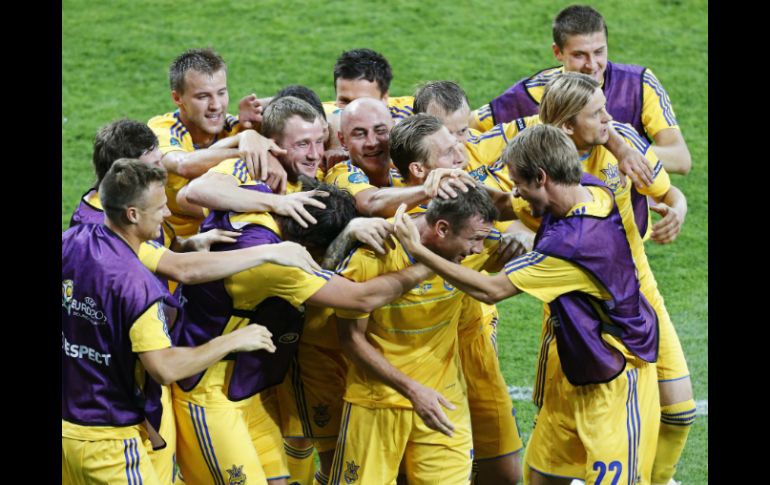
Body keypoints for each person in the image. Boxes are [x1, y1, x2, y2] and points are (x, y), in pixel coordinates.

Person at [393, 125, 661, 484]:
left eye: (518, 181)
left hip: (616, 382)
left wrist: (420, 251)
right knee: (541, 478)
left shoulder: (574, 246)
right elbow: (504, 204)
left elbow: (491, 290)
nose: (514, 190)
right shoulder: (587, 189)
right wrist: (455, 182)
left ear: (542, 177)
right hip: (576, 372)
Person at [68, 119, 323, 485]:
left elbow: (166, 253)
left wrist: (185, 243)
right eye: (154, 168)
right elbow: (181, 274)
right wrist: (268, 255)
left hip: (92, 402)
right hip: (120, 409)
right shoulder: (128, 272)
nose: (168, 207)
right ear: (129, 193)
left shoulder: (88, 229)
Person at [170, 179, 434, 485]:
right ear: (309, 248)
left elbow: (199, 187)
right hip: (206, 392)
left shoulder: (256, 199)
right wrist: (431, 265)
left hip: (242, 387)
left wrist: (347, 232)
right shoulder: (277, 266)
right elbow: (361, 298)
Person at [536, 73, 692, 485]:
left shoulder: (620, 137)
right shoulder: (538, 160)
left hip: (638, 289)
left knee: (679, 412)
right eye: (598, 113)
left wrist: (678, 208)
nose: (611, 119)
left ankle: (656, 480)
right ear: (568, 125)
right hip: (577, 304)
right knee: (562, 424)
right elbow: (516, 215)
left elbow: (668, 190)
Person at [330, 187, 504, 485]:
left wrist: (524, 236)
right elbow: (350, 339)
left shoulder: (479, 248)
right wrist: (411, 389)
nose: (478, 249)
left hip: (444, 402)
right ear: (442, 228)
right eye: (474, 239)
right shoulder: (376, 251)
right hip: (377, 402)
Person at [389, 113, 528, 484]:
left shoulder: (473, 205)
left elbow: (520, 211)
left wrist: (518, 240)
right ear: (421, 169)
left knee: (504, 471)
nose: (463, 157)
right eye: (450, 152)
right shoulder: (388, 228)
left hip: (470, 347)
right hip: (393, 378)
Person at [470, 4, 691, 175]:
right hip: (550, 226)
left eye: (599, 52)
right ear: (558, 52)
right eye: (579, 55)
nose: (592, 65)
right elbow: (466, 130)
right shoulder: (527, 95)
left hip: (621, 225)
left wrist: (626, 154)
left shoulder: (638, 84)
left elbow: (680, 159)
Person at [148, 48, 289, 236]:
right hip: (174, 246)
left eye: (221, 93)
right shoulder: (162, 128)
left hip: (233, 238)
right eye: (203, 96)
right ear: (177, 98)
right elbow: (184, 165)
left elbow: (305, 107)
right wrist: (250, 148)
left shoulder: (238, 125)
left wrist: (260, 110)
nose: (215, 105)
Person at [325, 97, 472, 217]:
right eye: (359, 134)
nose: (372, 142)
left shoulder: (405, 165)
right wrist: (429, 189)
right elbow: (371, 203)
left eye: (380, 131)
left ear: (393, 129)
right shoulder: (341, 173)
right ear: (343, 140)